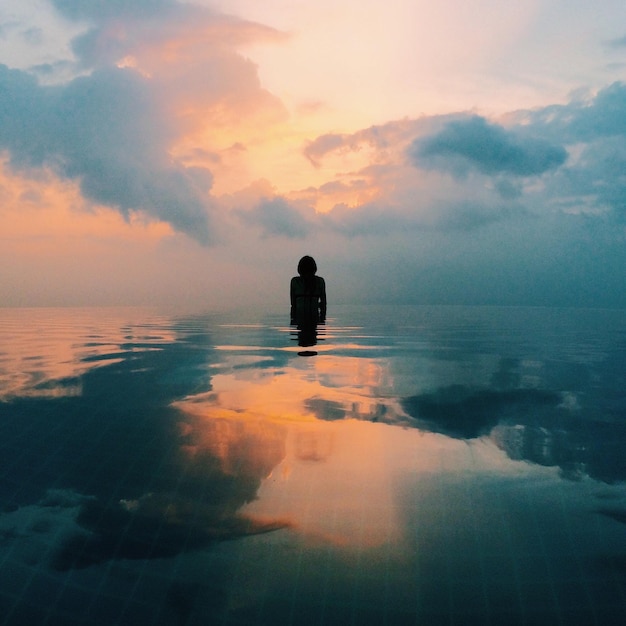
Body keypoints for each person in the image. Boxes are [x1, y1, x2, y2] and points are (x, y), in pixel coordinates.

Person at [290, 256, 326, 325]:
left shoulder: (295, 282)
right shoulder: (320, 281)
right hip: (313, 319)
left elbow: (293, 304)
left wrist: (293, 319)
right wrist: (322, 319)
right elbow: (323, 304)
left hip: (300, 320)